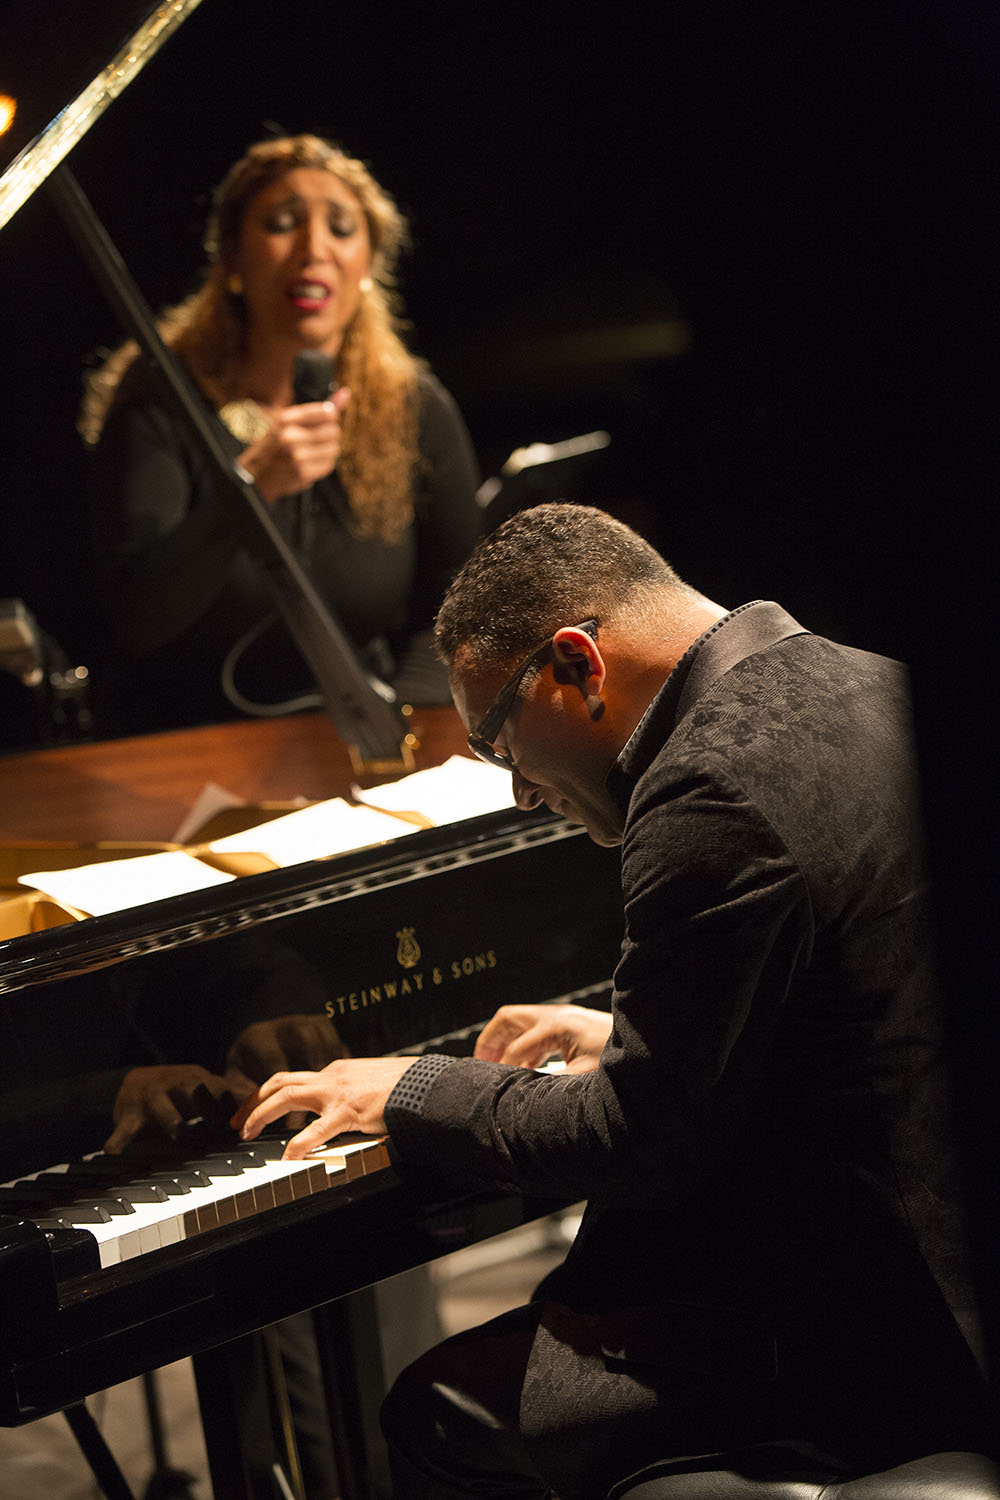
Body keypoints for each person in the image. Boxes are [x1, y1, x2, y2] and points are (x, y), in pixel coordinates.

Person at [233, 503, 993, 1499]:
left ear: (576, 663)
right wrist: (642, 1036)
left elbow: (639, 1143)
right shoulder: (874, 681)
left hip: (863, 1325)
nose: (516, 793)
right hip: (940, 1258)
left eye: (497, 740)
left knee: (438, 1413)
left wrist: (416, 1090)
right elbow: (874, 999)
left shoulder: (706, 789)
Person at [81, 134, 481, 733]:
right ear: (234, 262)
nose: (313, 248)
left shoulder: (413, 406)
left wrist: (406, 722)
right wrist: (249, 489)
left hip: (366, 740)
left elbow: (458, 612)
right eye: (282, 223)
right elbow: (138, 620)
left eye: (341, 228)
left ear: (368, 267)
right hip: (184, 748)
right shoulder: (160, 398)